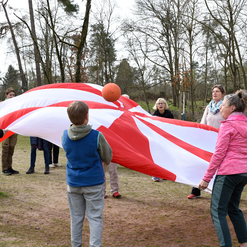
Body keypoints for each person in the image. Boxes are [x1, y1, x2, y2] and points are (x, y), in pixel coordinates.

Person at [198, 90, 247, 247]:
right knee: (234, 208)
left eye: (223, 105)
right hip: (243, 174)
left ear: (232, 108)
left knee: (218, 212)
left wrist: (206, 178)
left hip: (228, 174)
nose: (220, 109)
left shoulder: (227, 126)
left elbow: (218, 155)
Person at [62, 101, 112, 247]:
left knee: (76, 217)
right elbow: (107, 157)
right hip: (93, 183)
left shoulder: (65, 135)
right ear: (87, 116)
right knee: (95, 217)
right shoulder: (96, 136)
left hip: (73, 183)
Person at [188, 84, 225, 199]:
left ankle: (219, 192)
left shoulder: (226, 106)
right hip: (208, 141)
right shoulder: (209, 107)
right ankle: (196, 190)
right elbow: (203, 123)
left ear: (223, 94)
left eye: (217, 91)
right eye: (213, 91)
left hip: (222, 140)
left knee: (219, 166)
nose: (214, 93)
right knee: (202, 163)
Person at [152, 98, 174, 182]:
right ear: (156, 106)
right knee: (157, 156)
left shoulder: (169, 114)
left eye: (162, 103)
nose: (160, 105)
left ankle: (165, 174)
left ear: (165, 105)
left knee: (166, 155)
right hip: (157, 138)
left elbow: (173, 125)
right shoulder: (154, 115)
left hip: (167, 138)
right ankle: (155, 175)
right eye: (159, 103)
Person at [2, 87, 19, 176]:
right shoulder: (3, 105)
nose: (12, 96)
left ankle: (9, 167)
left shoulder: (16, 106)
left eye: (13, 95)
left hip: (13, 130)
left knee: (11, 149)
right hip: (4, 130)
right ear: (6, 95)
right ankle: (4, 168)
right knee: (5, 149)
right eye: (10, 95)